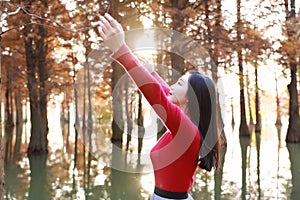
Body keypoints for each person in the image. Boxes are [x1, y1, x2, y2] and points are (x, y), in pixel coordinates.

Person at [97, 13, 221, 200]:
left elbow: (156, 96)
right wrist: (150, 71)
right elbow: (162, 91)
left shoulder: (187, 130)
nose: (172, 86)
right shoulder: (185, 127)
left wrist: (122, 50)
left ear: (190, 99)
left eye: (179, 84)